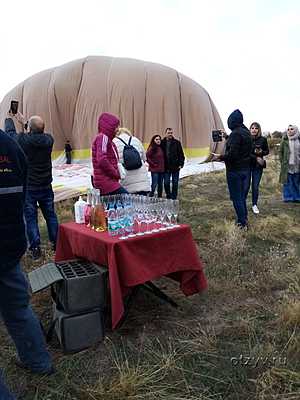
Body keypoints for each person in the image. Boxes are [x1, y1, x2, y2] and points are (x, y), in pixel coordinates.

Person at [0, 129, 53, 400]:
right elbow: (21, 195)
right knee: (19, 308)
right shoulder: (10, 146)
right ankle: (38, 361)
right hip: (8, 247)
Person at [17, 115, 59, 260]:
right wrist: (28, 123)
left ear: (30, 129)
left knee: (31, 219)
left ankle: (35, 249)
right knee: (51, 216)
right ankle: (57, 243)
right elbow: (35, 133)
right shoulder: (49, 140)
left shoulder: (24, 140)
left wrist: (23, 123)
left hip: (30, 187)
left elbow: (21, 136)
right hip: (46, 185)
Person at [213, 109, 252, 228]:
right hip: (246, 169)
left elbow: (233, 154)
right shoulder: (246, 132)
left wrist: (221, 157)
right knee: (242, 197)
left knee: (237, 198)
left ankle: (242, 223)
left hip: (235, 171)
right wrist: (227, 137)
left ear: (232, 122)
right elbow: (240, 146)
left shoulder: (235, 134)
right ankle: (244, 218)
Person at [92, 112, 128, 195]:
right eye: (116, 126)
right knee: (128, 200)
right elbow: (102, 159)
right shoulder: (103, 137)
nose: (118, 129)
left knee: (113, 206)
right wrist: (115, 173)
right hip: (107, 182)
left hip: (107, 181)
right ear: (109, 126)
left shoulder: (108, 140)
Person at [113, 127, 150, 195]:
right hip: (142, 180)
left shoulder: (114, 142)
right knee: (142, 203)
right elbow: (144, 158)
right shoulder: (136, 140)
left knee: (129, 204)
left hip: (126, 181)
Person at [246, 122, 269, 214]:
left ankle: (254, 205)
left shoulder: (263, 139)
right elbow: (245, 153)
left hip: (258, 167)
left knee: (255, 186)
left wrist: (262, 152)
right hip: (247, 165)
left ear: (259, 130)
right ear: (250, 129)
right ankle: (242, 203)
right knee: (246, 186)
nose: (254, 130)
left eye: (256, 128)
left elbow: (267, 151)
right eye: (252, 128)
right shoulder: (246, 139)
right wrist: (256, 157)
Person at [161, 127, 185, 199]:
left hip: (175, 167)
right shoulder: (162, 142)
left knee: (175, 183)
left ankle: (174, 197)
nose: (170, 134)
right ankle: (168, 196)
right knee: (166, 183)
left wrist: (181, 164)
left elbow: (181, 154)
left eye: (171, 133)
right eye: (168, 133)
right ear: (165, 133)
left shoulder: (177, 143)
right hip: (166, 167)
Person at [279, 125, 300, 202]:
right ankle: (288, 197)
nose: (289, 130)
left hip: (297, 165)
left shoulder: (299, 140)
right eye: (288, 129)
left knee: (296, 182)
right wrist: (282, 161)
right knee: (287, 182)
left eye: (291, 129)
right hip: (287, 165)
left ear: (295, 130)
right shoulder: (284, 140)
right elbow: (280, 152)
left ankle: (297, 197)